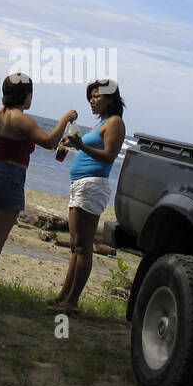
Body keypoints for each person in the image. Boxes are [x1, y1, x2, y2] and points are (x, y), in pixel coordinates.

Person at [0, 74, 76, 305]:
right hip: (10, 177)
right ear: (25, 96)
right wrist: (65, 119)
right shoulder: (23, 120)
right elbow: (49, 142)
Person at [49, 78, 126, 314]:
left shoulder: (114, 122)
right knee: (76, 245)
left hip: (92, 186)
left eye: (96, 96)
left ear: (110, 98)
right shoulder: (102, 122)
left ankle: (72, 301)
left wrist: (81, 146)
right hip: (81, 185)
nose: (92, 101)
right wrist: (74, 145)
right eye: (90, 97)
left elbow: (108, 156)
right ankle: (64, 295)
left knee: (83, 247)